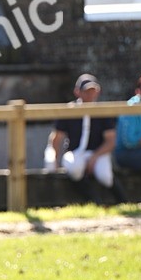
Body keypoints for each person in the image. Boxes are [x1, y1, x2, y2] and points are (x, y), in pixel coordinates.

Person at [46, 73, 124, 202]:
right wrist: (55, 159)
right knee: (74, 169)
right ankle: (94, 200)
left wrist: (95, 157)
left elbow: (110, 141)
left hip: (98, 152)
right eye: (87, 91)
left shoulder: (103, 111)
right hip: (76, 152)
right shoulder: (69, 110)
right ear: (77, 92)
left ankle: (123, 201)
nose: (90, 94)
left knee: (105, 176)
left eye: (93, 90)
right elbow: (57, 137)